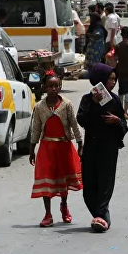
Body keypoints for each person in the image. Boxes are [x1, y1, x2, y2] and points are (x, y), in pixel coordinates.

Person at [77, 64, 128, 232]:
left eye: (115, 79)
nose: (113, 83)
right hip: (92, 145)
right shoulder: (87, 99)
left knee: (105, 180)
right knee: (89, 181)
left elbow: (124, 124)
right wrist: (92, 105)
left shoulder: (114, 100)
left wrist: (117, 121)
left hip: (108, 147)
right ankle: (101, 215)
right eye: (110, 79)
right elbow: (82, 120)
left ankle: (100, 215)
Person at [28, 72, 83, 227]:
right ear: (44, 87)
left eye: (56, 86)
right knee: (46, 179)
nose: (53, 89)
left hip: (64, 147)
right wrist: (32, 149)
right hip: (46, 148)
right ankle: (48, 214)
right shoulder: (39, 107)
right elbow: (36, 129)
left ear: (60, 87)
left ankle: (64, 206)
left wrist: (80, 143)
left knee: (63, 179)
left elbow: (74, 124)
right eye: (50, 86)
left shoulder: (67, 104)